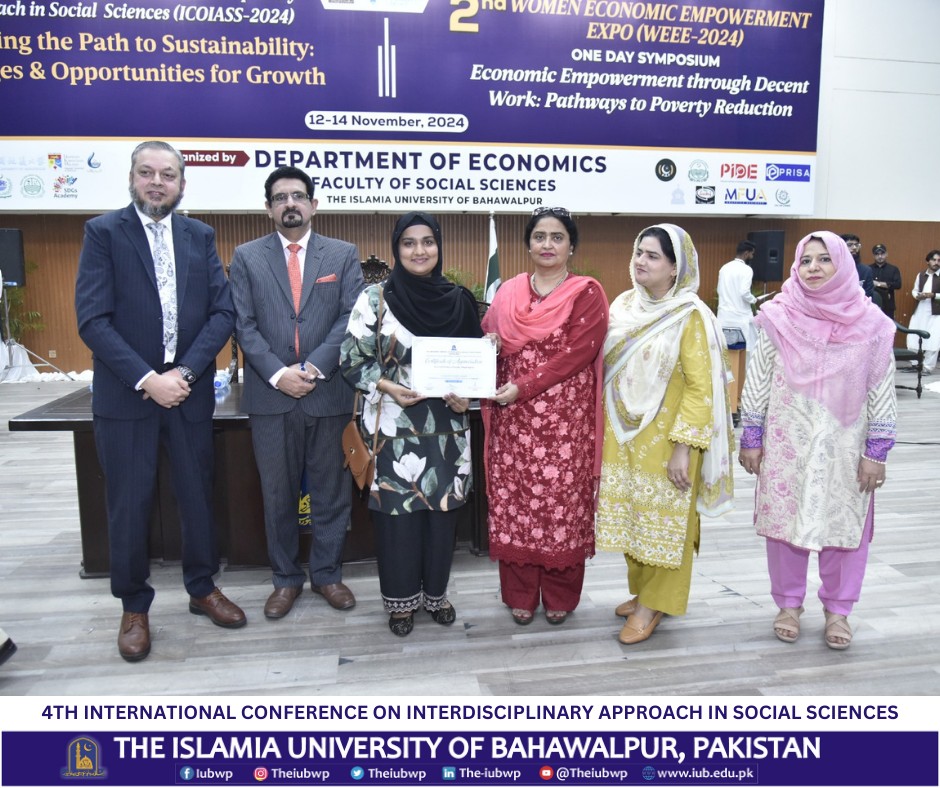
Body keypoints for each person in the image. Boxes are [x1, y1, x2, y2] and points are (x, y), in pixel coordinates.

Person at [75, 141, 245, 662]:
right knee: (129, 504)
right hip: (127, 397)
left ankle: (202, 588)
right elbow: (93, 320)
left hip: (188, 394)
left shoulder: (200, 236)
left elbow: (223, 313)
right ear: (131, 179)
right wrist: (149, 379)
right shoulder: (103, 233)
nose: (157, 182)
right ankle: (134, 605)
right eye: (147, 172)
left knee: (197, 496)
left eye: (167, 174)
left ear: (181, 184)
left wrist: (184, 373)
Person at [739, 231, 896, 650]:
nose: (813, 267)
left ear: (843, 264)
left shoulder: (872, 324)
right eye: (806, 259)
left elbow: (881, 389)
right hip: (787, 440)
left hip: (845, 445)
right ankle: (788, 604)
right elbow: (757, 379)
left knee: (844, 526)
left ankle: (838, 610)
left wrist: (876, 452)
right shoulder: (778, 315)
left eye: (824, 259)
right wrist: (751, 435)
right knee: (784, 525)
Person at [229, 166, 364, 619]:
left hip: (328, 394)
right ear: (268, 208)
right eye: (280, 197)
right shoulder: (246, 257)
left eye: (298, 196)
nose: (290, 203)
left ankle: (327, 575)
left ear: (313, 204)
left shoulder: (343, 254)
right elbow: (243, 324)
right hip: (271, 398)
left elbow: (351, 317)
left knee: (331, 494)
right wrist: (277, 373)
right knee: (277, 495)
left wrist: (313, 367)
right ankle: (285, 580)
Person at [340, 212, 482, 636]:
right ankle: (400, 603)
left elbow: (473, 366)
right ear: (396, 249)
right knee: (398, 521)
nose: (420, 251)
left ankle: (436, 595)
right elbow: (351, 360)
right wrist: (389, 386)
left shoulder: (459, 300)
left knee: (441, 517)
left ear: (439, 246)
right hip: (393, 430)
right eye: (409, 243)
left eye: (428, 242)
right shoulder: (375, 300)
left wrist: (468, 395)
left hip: (448, 432)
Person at [596, 224, 734, 645]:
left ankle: (655, 603)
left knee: (667, 524)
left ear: (676, 268)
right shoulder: (624, 305)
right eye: (639, 252)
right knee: (634, 519)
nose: (640, 260)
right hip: (623, 435)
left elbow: (701, 388)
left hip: (670, 440)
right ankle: (643, 591)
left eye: (653, 255)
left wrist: (683, 448)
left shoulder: (691, 315)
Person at [481, 207, 609, 626]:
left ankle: (560, 595)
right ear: (528, 244)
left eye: (557, 237)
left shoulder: (586, 293)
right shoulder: (508, 292)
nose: (548, 245)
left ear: (571, 246)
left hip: (564, 425)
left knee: (561, 507)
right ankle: (519, 593)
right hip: (512, 421)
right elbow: (489, 341)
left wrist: (525, 385)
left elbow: (577, 354)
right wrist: (491, 345)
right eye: (539, 237)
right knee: (514, 503)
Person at [716, 240, 758, 349]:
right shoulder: (747, 270)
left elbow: (719, 290)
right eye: (752, 254)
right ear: (746, 253)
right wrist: (753, 299)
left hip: (724, 317)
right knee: (745, 352)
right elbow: (744, 292)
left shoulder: (724, 268)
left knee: (725, 351)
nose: (752, 257)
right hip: (740, 319)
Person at [906, 250, 940, 374]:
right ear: (928, 261)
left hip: (936, 314)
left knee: (933, 341)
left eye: (939, 260)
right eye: (934, 260)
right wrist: (918, 296)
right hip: (920, 311)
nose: (936, 263)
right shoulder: (920, 275)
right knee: (913, 338)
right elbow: (915, 290)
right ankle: (915, 364)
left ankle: (927, 367)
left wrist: (933, 295)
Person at [870, 243, 902, 320]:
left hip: (888, 305)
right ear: (873, 256)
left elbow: (898, 285)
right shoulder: (868, 269)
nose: (880, 256)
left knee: (888, 326)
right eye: (877, 254)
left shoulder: (893, 269)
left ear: (887, 254)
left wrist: (878, 284)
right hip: (871, 304)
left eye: (882, 253)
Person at [840, 233, 875, 299]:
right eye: (849, 245)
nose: (854, 248)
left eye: (856, 245)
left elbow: (868, 296)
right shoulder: (833, 269)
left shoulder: (866, 271)